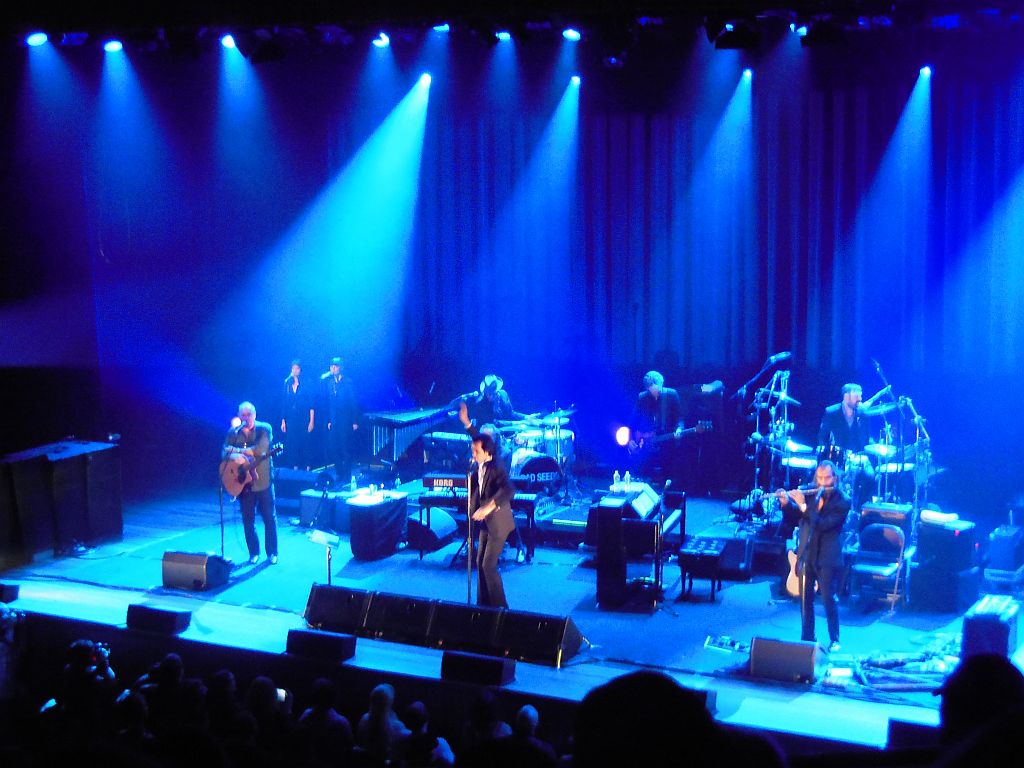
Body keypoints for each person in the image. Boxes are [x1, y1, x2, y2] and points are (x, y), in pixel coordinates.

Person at [776, 460, 850, 652]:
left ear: (835, 478)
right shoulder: (810, 492)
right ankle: (807, 637)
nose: (823, 483)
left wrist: (802, 505)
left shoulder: (843, 501)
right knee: (805, 600)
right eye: (820, 478)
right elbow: (795, 518)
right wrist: (786, 503)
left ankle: (835, 639)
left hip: (828, 556)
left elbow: (823, 524)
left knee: (827, 598)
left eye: (827, 478)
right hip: (807, 553)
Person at [629, 371, 720, 487]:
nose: (654, 393)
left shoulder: (671, 395)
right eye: (651, 390)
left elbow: (679, 417)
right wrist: (631, 439)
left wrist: (679, 429)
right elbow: (633, 421)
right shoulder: (642, 397)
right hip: (647, 443)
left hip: (667, 441)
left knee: (668, 473)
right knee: (645, 476)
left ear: (661, 384)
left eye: (656, 389)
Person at [223, 401, 278, 565]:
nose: (246, 418)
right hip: (244, 484)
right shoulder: (234, 432)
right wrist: (236, 457)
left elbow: (260, 450)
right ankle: (254, 553)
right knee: (248, 520)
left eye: (249, 415)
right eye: (243, 415)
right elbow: (224, 452)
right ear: (239, 416)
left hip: (263, 481)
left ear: (254, 414)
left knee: (269, 518)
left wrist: (237, 451)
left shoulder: (264, 428)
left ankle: (272, 553)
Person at [469, 431, 515, 607]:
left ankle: (501, 608)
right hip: (486, 523)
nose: (473, 455)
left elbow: (509, 490)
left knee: (488, 565)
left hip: (499, 522)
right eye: (472, 451)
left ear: (487, 452)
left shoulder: (497, 467)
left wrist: (488, 507)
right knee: (479, 562)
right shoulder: (478, 468)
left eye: (476, 451)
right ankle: (483, 605)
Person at [817, 383, 876, 511]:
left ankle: (860, 509)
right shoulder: (831, 412)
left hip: (858, 456)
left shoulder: (863, 414)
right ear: (846, 396)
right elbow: (822, 437)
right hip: (837, 456)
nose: (860, 399)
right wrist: (827, 456)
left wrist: (871, 450)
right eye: (857, 396)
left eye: (861, 396)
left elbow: (866, 439)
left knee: (871, 477)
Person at [321, 357, 361, 485]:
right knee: (332, 447)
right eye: (331, 366)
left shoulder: (347, 382)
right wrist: (329, 420)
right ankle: (340, 472)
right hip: (334, 420)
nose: (333, 368)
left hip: (346, 420)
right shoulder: (330, 383)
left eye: (335, 366)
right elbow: (329, 403)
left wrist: (354, 420)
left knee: (345, 448)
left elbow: (353, 402)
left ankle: (347, 476)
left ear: (340, 368)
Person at [453, 374, 529, 427]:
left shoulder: (503, 394)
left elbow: (511, 413)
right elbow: (494, 423)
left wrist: (527, 417)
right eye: (488, 393)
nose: (490, 396)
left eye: (492, 392)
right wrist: (520, 423)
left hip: (507, 431)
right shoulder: (480, 403)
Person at [281, 359, 315, 470]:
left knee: (305, 442)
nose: (295, 370)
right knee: (293, 443)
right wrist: (283, 421)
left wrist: (311, 421)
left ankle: (308, 467)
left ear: (300, 369)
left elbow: (311, 404)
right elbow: (284, 403)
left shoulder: (307, 383)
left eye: (297, 368)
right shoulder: (287, 384)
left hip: (304, 417)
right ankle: (295, 468)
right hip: (292, 418)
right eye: (293, 368)